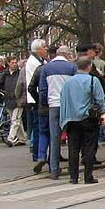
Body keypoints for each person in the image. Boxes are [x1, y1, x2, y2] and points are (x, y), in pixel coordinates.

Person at [60, 57, 105, 184]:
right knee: (89, 148)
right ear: (89, 66)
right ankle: (88, 176)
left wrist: (63, 120)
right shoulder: (93, 80)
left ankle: (73, 177)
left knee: (73, 148)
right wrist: (102, 112)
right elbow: (100, 99)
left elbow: (63, 100)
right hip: (88, 118)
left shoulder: (68, 82)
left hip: (71, 119)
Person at [38, 45, 76, 179]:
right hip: (68, 106)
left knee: (54, 137)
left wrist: (46, 102)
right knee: (72, 137)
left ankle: (54, 169)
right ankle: (72, 168)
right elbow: (75, 86)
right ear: (67, 55)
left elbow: (42, 89)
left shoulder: (46, 68)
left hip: (53, 105)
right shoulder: (72, 67)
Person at [24, 40, 48, 162]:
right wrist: (39, 98)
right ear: (38, 50)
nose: (46, 49)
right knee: (38, 127)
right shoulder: (34, 63)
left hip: (37, 97)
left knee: (39, 126)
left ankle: (39, 152)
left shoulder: (41, 61)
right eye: (44, 47)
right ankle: (37, 153)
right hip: (36, 98)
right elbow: (36, 82)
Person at [0, 57, 27, 146]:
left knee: (15, 120)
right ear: (8, 63)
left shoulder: (20, 73)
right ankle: (22, 138)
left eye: (15, 62)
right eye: (12, 63)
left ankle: (10, 138)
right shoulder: (5, 73)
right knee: (17, 120)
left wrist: (23, 98)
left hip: (18, 100)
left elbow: (23, 85)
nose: (14, 64)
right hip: (8, 99)